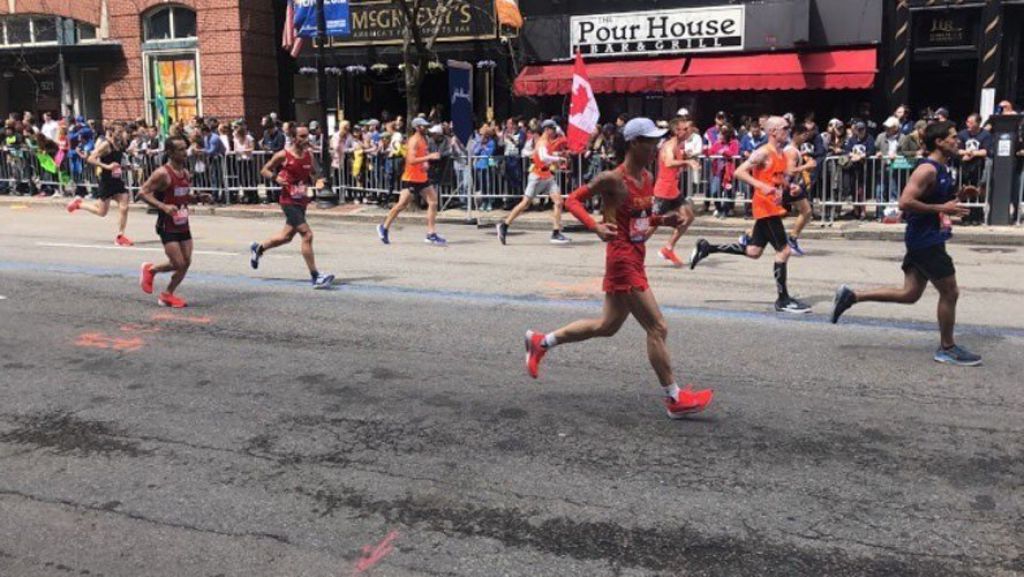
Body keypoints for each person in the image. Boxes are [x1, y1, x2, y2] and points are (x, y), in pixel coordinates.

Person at [523, 117, 714, 418]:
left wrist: (663, 220)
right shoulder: (612, 178)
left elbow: (640, 218)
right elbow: (573, 201)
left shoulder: (647, 177)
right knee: (657, 327)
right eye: (650, 142)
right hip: (622, 260)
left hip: (636, 256)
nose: (656, 147)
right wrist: (595, 226)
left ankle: (541, 342)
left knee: (607, 326)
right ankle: (674, 398)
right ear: (634, 143)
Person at [831, 121, 981, 366]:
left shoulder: (943, 168)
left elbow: (936, 200)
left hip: (928, 237)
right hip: (925, 240)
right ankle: (947, 347)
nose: (958, 141)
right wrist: (942, 208)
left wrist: (960, 196)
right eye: (953, 137)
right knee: (950, 292)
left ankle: (851, 296)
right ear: (939, 142)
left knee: (910, 293)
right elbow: (905, 202)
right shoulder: (927, 169)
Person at [689, 116, 811, 314]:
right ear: (773, 132)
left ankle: (707, 247)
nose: (788, 131)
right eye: (785, 128)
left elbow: (776, 178)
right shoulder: (763, 152)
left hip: (773, 206)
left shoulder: (781, 153)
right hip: (766, 208)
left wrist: (790, 187)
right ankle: (783, 300)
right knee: (784, 251)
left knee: (754, 251)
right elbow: (739, 172)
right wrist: (760, 185)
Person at [248, 125, 335, 289]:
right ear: (294, 138)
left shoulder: (309, 155)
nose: (305, 139)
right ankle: (316, 276)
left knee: (286, 237)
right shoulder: (283, 155)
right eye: (302, 136)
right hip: (288, 201)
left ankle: (258, 248)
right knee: (307, 235)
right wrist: (275, 178)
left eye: (307, 136)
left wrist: (319, 181)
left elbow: (315, 174)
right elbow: (264, 170)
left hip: (301, 201)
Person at [136, 135, 212, 308]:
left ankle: (167, 294)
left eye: (185, 148)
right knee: (178, 263)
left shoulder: (185, 173)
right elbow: (142, 193)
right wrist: (162, 206)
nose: (185, 152)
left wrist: (198, 198)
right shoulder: (162, 173)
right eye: (180, 149)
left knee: (186, 262)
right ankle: (151, 270)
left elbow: (183, 195)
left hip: (183, 223)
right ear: (170, 152)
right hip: (167, 224)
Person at [497, 119, 571, 244]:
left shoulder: (547, 141)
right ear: (547, 130)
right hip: (537, 176)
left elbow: (548, 153)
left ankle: (556, 232)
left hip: (547, 175)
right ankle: (504, 225)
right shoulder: (542, 142)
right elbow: (543, 157)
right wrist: (558, 158)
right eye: (553, 129)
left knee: (558, 202)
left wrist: (557, 155)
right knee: (525, 204)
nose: (555, 131)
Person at [376, 117, 446, 246]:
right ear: (417, 127)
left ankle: (431, 234)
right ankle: (384, 227)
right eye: (424, 126)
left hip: (422, 178)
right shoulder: (413, 141)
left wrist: (426, 163)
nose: (426, 128)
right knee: (401, 205)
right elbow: (411, 160)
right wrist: (429, 157)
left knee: (433, 201)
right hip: (411, 179)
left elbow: (421, 157)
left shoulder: (424, 139)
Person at [67, 122, 135, 246]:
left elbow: (116, 163)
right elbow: (91, 158)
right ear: (111, 132)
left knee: (124, 207)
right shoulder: (106, 145)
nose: (121, 134)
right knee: (102, 212)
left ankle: (120, 236)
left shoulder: (119, 144)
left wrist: (125, 167)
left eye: (122, 131)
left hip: (117, 181)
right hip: (106, 181)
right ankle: (79, 204)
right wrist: (107, 166)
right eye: (118, 131)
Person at [652, 117, 697, 266]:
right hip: (663, 191)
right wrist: (687, 162)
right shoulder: (669, 145)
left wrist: (687, 158)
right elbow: (669, 162)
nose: (689, 131)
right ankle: (632, 251)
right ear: (677, 131)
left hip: (673, 190)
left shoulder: (679, 145)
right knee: (652, 225)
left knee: (688, 217)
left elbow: (677, 162)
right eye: (685, 129)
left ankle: (668, 248)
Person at [782, 122, 817, 254]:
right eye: (803, 135)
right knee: (806, 211)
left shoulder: (795, 150)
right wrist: (807, 166)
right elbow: (790, 171)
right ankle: (792, 239)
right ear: (795, 135)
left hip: (790, 185)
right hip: (787, 186)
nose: (805, 138)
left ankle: (792, 238)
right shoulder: (791, 151)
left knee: (806, 211)